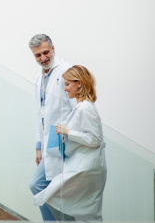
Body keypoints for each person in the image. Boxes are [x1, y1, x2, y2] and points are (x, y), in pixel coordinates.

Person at [34, 65, 107, 221]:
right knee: (78, 209)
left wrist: (68, 132)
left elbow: (94, 139)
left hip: (85, 167)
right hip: (82, 165)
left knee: (56, 197)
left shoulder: (85, 108)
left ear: (78, 83)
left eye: (67, 84)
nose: (65, 89)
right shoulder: (82, 107)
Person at [29, 34, 74, 221]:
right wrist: (39, 146)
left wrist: (72, 137)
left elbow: (76, 109)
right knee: (52, 190)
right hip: (49, 144)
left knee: (40, 186)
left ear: (53, 48)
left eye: (45, 52)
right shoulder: (40, 79)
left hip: (64, 142)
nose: (43, 58)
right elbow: (41, 114)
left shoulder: (67, 71)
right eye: (37, 55)